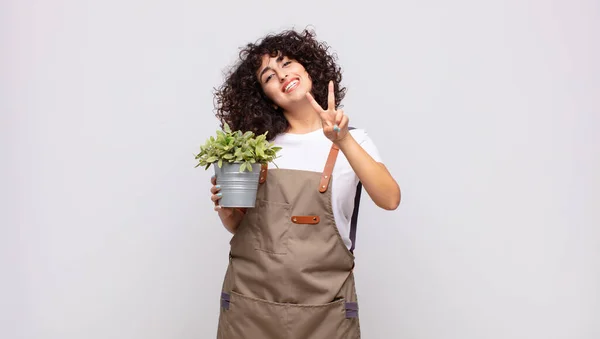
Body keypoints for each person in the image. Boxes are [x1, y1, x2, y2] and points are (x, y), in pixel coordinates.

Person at [209, 28, 401, 339]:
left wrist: (343, 139)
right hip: (250, 310)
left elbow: (390, 198)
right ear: (266, 98)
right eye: (269, 76)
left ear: (308, 68)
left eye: (286, 63)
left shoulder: (355, 140)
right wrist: (225, 207)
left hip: (325, 314)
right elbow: (242, 228)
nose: (282, 75)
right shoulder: (254, 148)